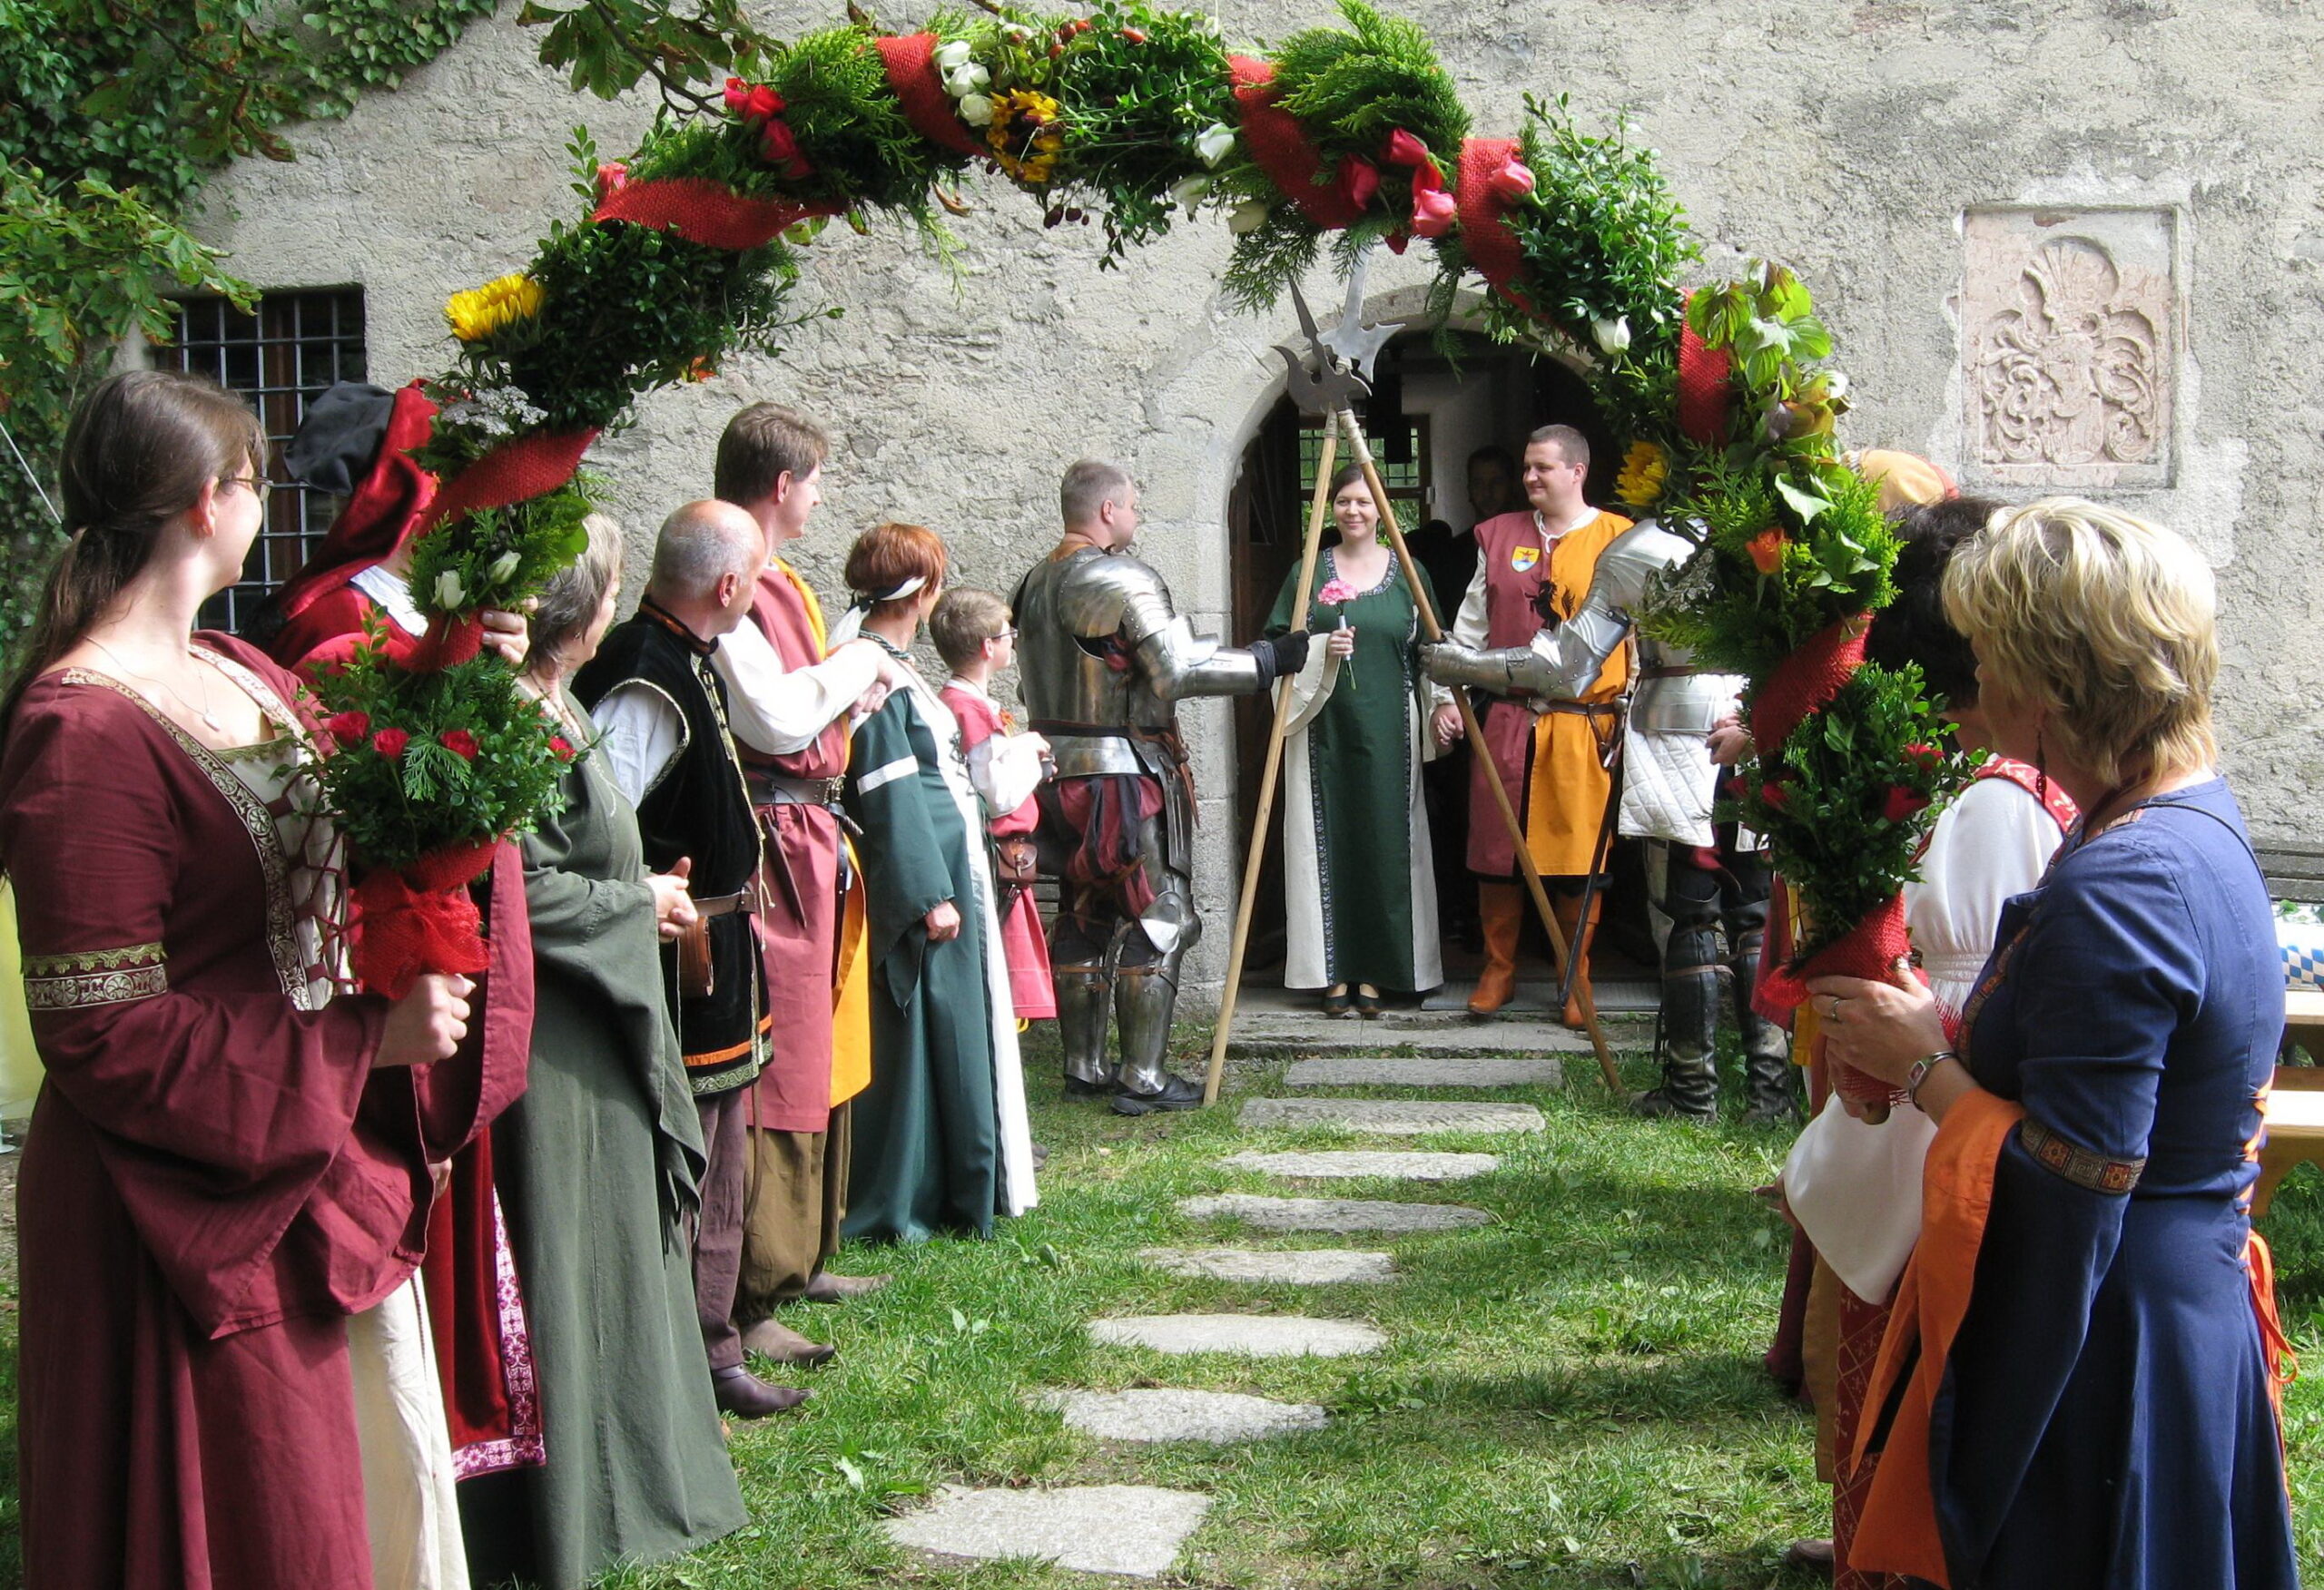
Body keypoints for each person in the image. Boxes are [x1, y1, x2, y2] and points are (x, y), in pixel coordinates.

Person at [0, 368, 479, 1587]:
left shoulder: (242, 671)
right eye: (261, 481)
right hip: (172, 1204)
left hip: (296, 1159)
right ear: (212, 499)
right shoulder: (83, 728)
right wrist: (358, 1046)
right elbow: (100, 1035)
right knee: (248, 1517)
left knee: (341, 1505)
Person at [1810, 499, 2299, 1589]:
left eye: (1986, 658)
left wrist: (1923, 1069)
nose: (1972, 684)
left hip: (2109, 1339)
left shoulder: (2125, 882)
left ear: (2051, 681)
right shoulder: (2179, 819)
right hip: (2167, 1305)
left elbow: (2079, 1180)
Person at [1777, 494, 2076, 1585]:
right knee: (1866, 1345)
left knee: (1913, 1347)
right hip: (1914, 1081)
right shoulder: (1967, 778)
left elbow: (2000, 983)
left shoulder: (2001, 802)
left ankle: (1906, 1549)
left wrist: (1906, 1045)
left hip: (1946, 1100)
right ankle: (1879, 1535)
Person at [457, 513, 749, 1587]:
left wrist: (640, 899)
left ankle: (637, 1473)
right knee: (566, 1265)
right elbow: (515, 885)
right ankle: (575, 1501)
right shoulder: (513, 721)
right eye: (616, 577)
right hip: (554, 1046)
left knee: (615, 1255)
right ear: (580, 606)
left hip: (594, 1024)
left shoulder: (546, 706)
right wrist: (638, 902)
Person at [263, 378, 545, 1485]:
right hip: (387, 956)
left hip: (440, 934)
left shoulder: (402, 610)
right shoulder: (339, 619)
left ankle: (453, 1437)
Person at [573, 500, 803, 1418]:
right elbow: (599, 825)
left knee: (719, 1161)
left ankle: (712, 1342)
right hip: (675, 958)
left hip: (714, 952)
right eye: (756, 576)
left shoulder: (680, 655)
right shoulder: (644, 673)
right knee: (690, 1164)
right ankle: (690, 1357)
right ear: (727, 584)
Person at [1013, 458, 1310, 1113]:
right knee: (1163, 916)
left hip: (1054, 770)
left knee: (1084, 916)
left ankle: (1084, 1066)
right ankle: (1142, 1076)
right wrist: (1266, 661)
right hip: (1124, 775)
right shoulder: (1121, 577)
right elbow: (1174, 672)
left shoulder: (1031, 584)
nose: (1138, 520)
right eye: (1135, 509)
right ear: (1108, 511)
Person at [710, 402, 904, 1368]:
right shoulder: (735, 576)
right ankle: (753, 1289)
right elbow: (778, 719)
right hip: (772, 835)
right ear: (781, 485)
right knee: (776, 1055)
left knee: (819, 1036)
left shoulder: (778, 578)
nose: (821, 496)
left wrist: (849, 683)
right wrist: (860, 661)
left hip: (809, 827)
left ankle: (805, 1250)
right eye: (815, 479)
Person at [835, 525, 1039, 1241]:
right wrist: (929, 892)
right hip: (930, 877)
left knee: (952, 1029)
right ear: (921, 592)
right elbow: (888, 789)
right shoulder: (874, 670)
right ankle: (915, 1197)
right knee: (929, 1037)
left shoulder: (893, 662)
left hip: (952, 865)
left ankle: (962, 1183)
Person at [1421, 424, 1632, 1024]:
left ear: (1577, 471)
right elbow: (1468, 632)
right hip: (1509, 719)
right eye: (1528, 467)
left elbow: (1643, 635)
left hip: (1582, 726)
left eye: (1543, 467)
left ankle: (1577, 977)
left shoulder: (1618, 538)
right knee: (1497, 852)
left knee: (1577, 858)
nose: (1530, 477)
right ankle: (1499, 969)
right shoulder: (1498, 536)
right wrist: (1445, 698)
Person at [1265, 463, 1447, 1016]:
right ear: (1331, 508)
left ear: (1383, 510)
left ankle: (1381, 970)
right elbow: (1277, 647)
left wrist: (1442, 708)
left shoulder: (1411, 574)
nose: (1353, 510)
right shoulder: (1306, 573)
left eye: (1364, 502)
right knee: (1329, 842)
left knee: (1387, 843)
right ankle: (1334, 971)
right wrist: (1322, 649)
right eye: (1343, 501)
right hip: (1323, 731)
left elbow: (1434, 652)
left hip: (1392, 731)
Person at [932, 587, 1059, 1023]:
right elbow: (995, 793)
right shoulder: (968, 710)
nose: (1013, 640)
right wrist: (1030, 752)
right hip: (992, 858)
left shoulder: (967, 704)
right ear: (989, 647)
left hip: (1004, 858)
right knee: (994, 981)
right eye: (1009, 634)